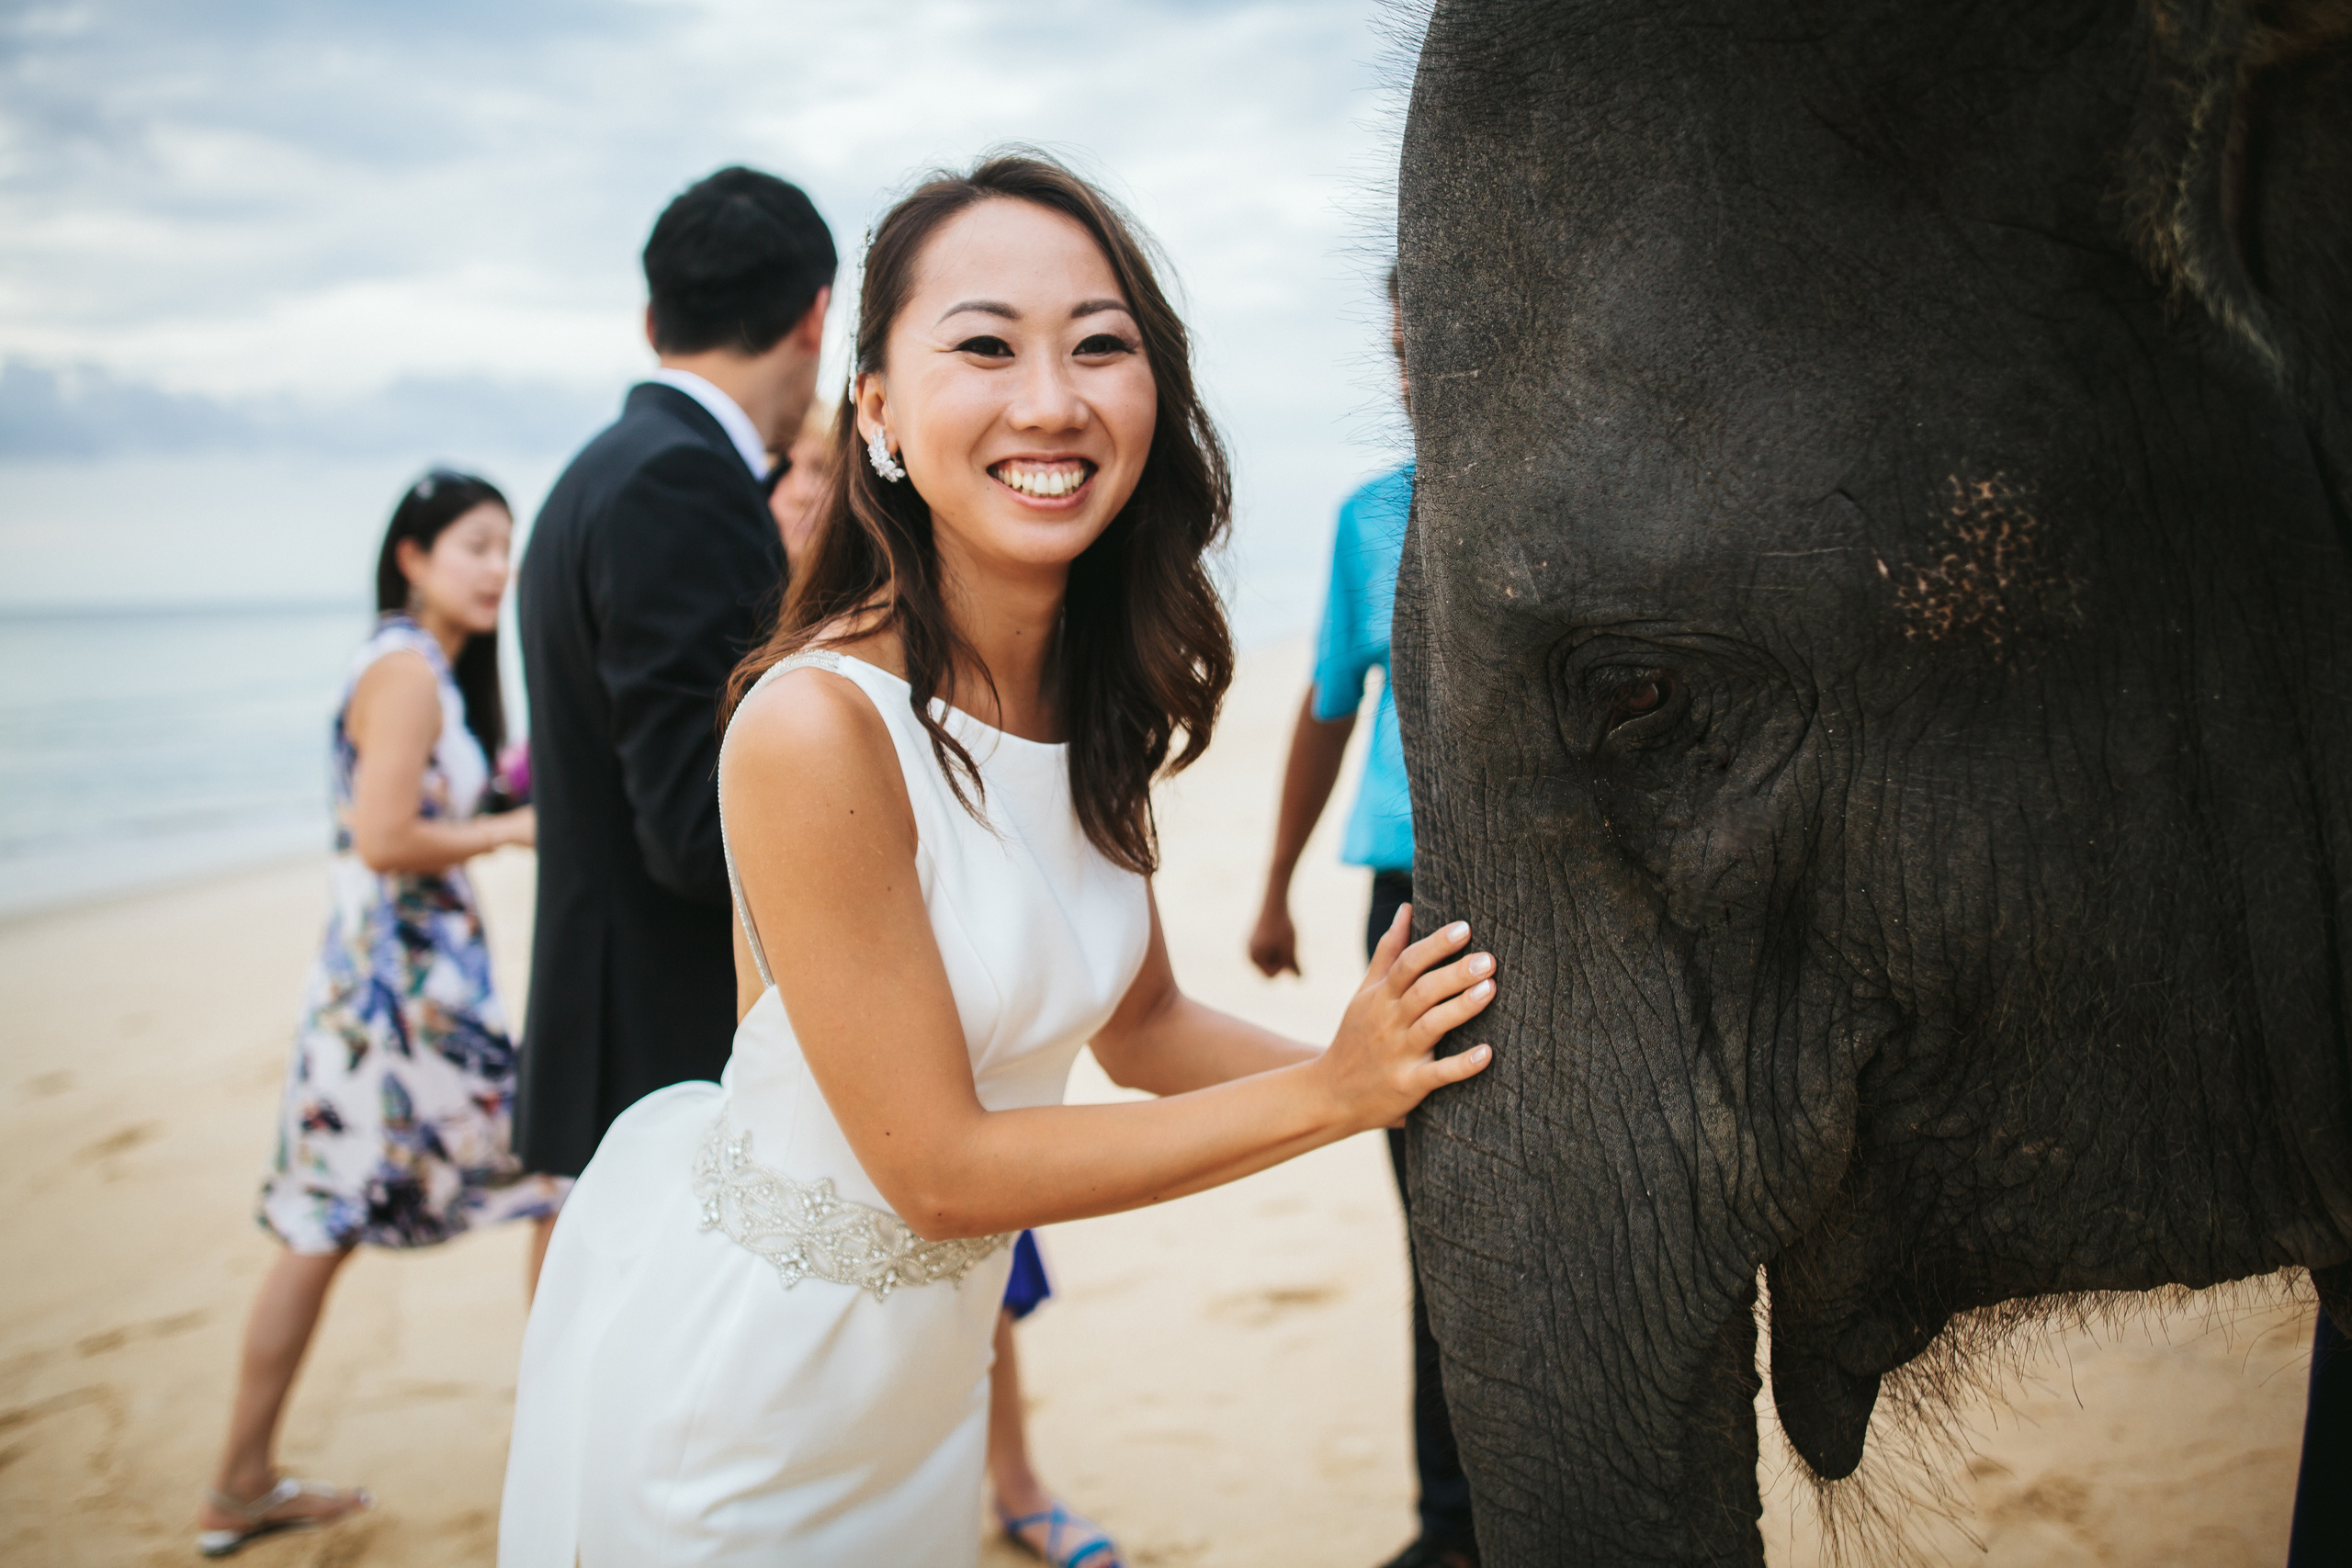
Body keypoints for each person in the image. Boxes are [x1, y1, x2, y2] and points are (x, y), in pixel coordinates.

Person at [498, 151, 1498, 1567]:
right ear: (880, 412)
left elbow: (1145, 1028)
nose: (1052, 398)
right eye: (984, 346)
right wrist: (1335, 1096)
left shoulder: (1096, 694)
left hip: (924, 1403)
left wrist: (1403, 1076)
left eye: (1102, 345)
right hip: (749, 1418)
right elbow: (944, 1171)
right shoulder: (813, 728)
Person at [198, 471, 560, 1558]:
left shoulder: (421, 670)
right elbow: (384, 837)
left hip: (380, 999)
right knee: (560, 1173)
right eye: (476, 546)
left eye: (508, 547)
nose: (499, 567)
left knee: (322, 1227)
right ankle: (565, 1433)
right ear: (412, 556)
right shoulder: (406, 670)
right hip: (401, 1009)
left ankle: (240, 1481)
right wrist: (513, 831)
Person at [514, 166, 835, 1182]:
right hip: (670, 1036)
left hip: (608, 1010)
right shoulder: (682, 484)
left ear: (654, 316)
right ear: (816, 316)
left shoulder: (599, 470)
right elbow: (701, 832)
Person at [1249, 272, 1476, 1568]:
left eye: (1434, 337)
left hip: (1573, 901)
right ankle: (1450, 1524)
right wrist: (1275, 880)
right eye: (1399, 346)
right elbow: (1327, 707)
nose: (1412, 369)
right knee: (1437, 1223)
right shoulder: (1371, 518)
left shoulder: (1577, 503)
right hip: (1412, 906)